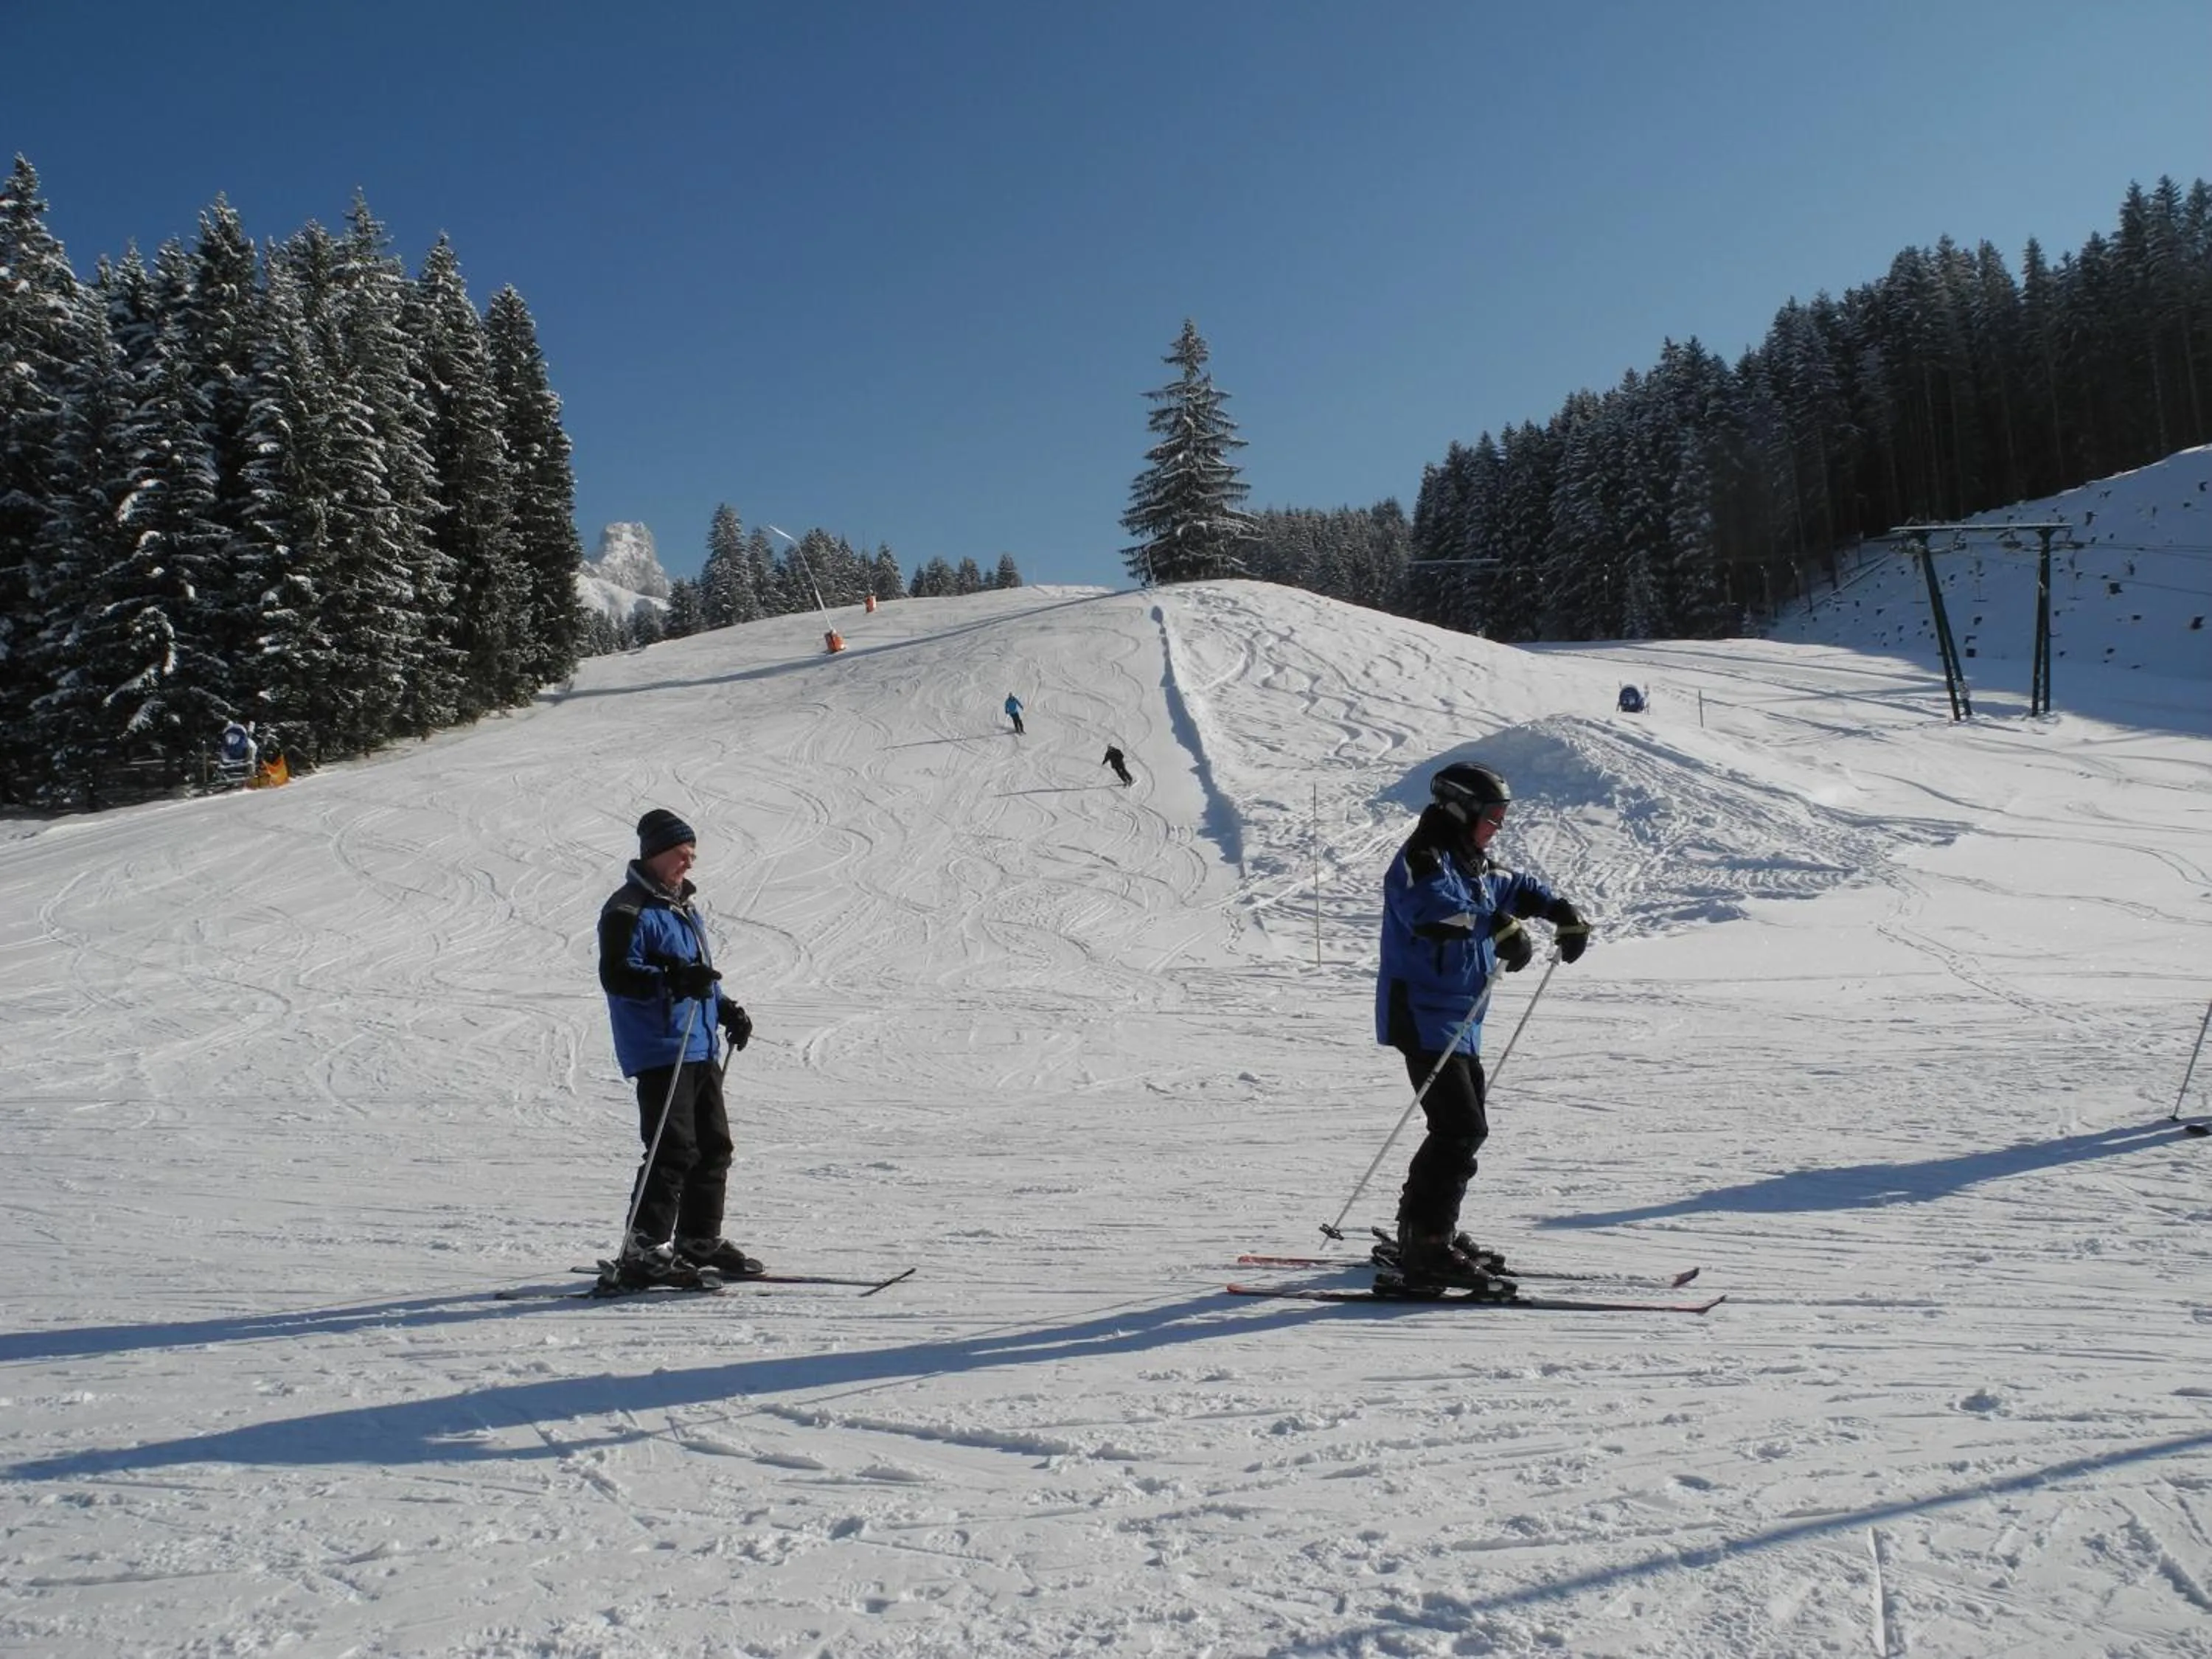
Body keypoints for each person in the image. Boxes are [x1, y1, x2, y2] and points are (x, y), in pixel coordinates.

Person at [1374, 762, 1590, 1291]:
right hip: (1422, 1012)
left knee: (1461, 1130)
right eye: (1491, 816)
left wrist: (1559, 910)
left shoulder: (1470, 862)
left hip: (1458, 1016)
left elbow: (1513, 887)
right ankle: (1426, 1247)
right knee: (1459, 1128)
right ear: (1458, 810)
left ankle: (1423, 1231)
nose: (1497, 826)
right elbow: (1432, 913)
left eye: (1502, 816)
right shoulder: (1422, 860)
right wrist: (1495, 925)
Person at [596, 808, 762, 1289]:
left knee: (713, 1147)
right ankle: (642, 1249)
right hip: (660, 1045)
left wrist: (725, 1007)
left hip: (698, 1041)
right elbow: (617, 975)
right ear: (654, 853)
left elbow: (694, 973)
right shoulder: (628, 909)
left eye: (691, 856)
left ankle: (698, 1239)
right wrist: (673, 980)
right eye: (680, 854)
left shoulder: (681, 908)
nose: (688, 864)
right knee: (672, 1150)